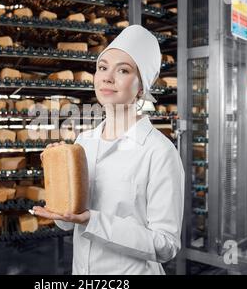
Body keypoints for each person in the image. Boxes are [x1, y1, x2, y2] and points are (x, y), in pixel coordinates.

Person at [32, 25, 185, 275]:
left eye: (123, 70)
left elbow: (166, 246)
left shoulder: (159, 152)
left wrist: (92, 220)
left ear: (141, 87)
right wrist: (57, 181)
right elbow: (67, 224)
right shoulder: (84, 142)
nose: (107, 77)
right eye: (102, 67)